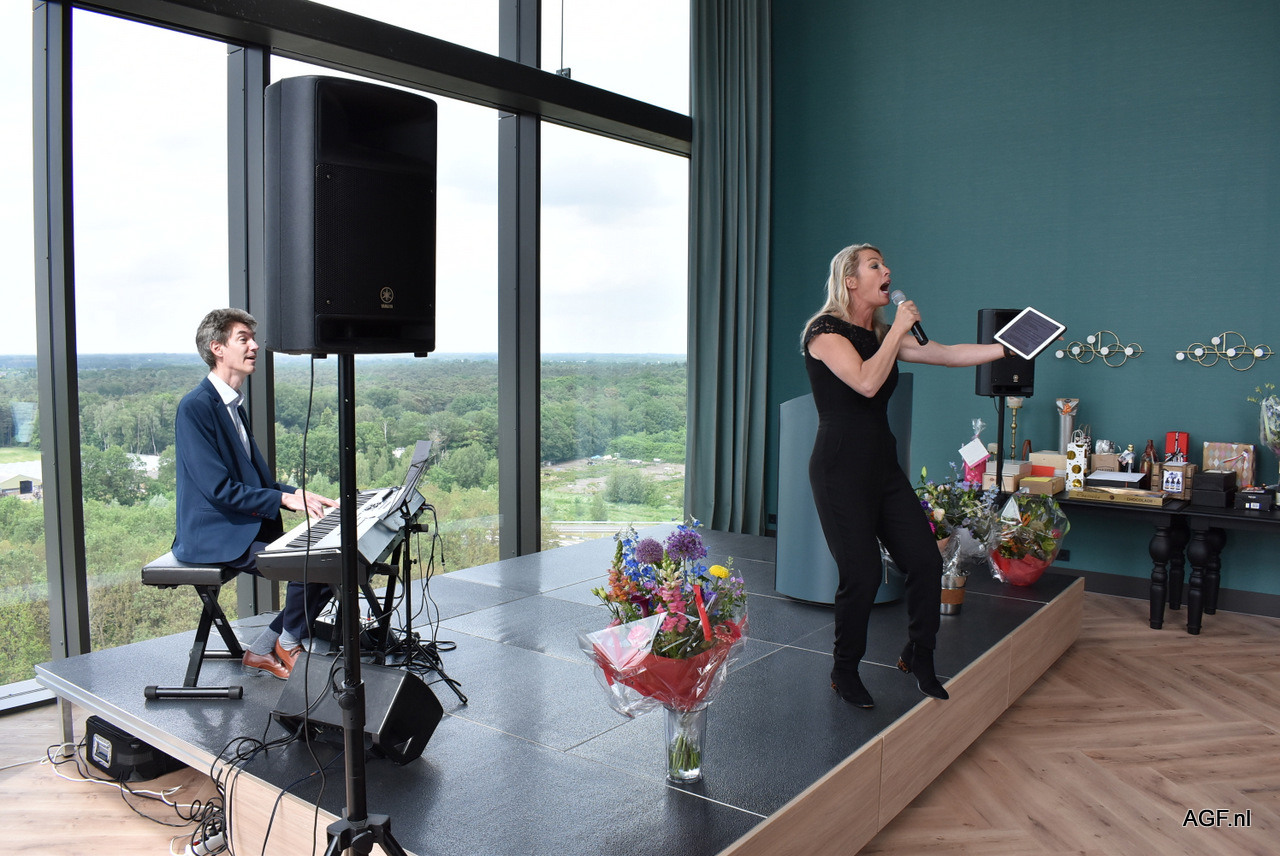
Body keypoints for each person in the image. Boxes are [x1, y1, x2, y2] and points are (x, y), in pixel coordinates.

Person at [802, 244, 1008, 708]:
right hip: (839, 469)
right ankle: (844, 669)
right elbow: (866, 382)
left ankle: (919, 654)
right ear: (850, 280)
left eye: (885, 264)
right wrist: (896, 330)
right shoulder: (824, 331)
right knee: (862, 574)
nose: (887, 270)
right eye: (875, 265)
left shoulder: (881, 333)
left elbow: (949, 354)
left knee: (926, 561)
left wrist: (1008, 349)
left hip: (883, 466)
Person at [172, 308, 338, 679]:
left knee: (334, 563)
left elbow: (256, 481)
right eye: (243, 339)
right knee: (313, 564)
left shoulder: (232, 406)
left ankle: (265, 648)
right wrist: (282, 500)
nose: (255, 346)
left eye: (253, 339)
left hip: (238, 527)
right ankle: (287, 643)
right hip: (213, 535)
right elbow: (218, 489)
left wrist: (301, 494)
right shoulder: (195, 407)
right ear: (217, 348)